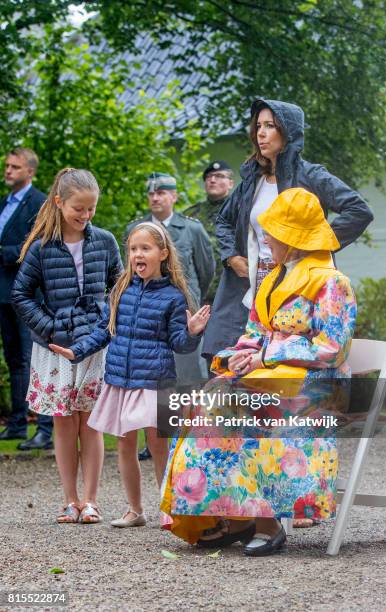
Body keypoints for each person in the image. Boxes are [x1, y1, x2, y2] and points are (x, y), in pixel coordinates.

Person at [161, 187, 357, 556]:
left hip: (316, 384)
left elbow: (331, 348)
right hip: (273, 376)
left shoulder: (333, 282)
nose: (264, 238)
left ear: (294, 238)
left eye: (272, 232)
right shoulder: (272, 279)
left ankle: (265, 521)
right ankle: (232, 514)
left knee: (251, 408)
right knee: (213, 399)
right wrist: (238, 355)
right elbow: (255, 332)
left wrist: (265, 355)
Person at [50, 222, 210, 527]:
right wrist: (77, 351)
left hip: (155, 382)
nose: (138, 254)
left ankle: (169, 507)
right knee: (124, 444)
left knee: (158, 444)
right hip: (120, 381)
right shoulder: (120, 289)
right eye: (134, 249)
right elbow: (103, 332)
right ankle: (135, 510)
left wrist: (191, 333)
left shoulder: (174, 297)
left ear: (162, 253)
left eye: (145, 248)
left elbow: (180, 344)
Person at [202, 98, 373, 363]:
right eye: (258, 125)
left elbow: (359, 210)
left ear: (288, 132)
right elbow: (223, 221)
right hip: (251, 280)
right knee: (232, 357)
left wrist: (314, 243)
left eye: (270, 125)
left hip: (298, 280)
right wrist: (231, 255)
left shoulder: (311, 175)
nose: (260, 132)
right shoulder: (251, 180)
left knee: (283, 358)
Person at [12, 168, 122, 523]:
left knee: (90, 423)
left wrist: (104, 322)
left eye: (91, 209)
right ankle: (69, 500)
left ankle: (91, 500)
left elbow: (119, 288)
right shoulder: (41, 247)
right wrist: (51, 328)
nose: (86, 216)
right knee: (63, 422)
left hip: (94, 346)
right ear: (59, 202)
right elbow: (21, 294)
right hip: (54, 349)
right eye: (79, 209)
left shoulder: (105, 241)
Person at [126, 172, 215, 460]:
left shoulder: (191, 230)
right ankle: (156, 439)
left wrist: (191, 301)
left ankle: (188, 438)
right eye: (151, 193)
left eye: (162, 192)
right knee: (153, 381)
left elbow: (206, 270)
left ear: (174, 196)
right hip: (148, 317)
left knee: (187, 378)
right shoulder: (136, 229)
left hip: (182, 313)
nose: (155, 197)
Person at [0, 148, 53, 449]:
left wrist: (5, 253)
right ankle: (18, 424)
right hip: (3, 292)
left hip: (27, 292)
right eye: (7, 166)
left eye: (15, 166)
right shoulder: (4, 203)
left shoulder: (39, 203)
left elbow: (38, 243)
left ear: (30, 171)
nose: (8, 170)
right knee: (15, 360)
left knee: (36, 360)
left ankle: (44, 428)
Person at [184, 160, 234, 302]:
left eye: (219, 176)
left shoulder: (241, 211)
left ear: (230, 183)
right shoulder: (190, 215)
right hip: (197, 293)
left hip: (232, 293)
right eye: (209, 177)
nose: (212, 180)